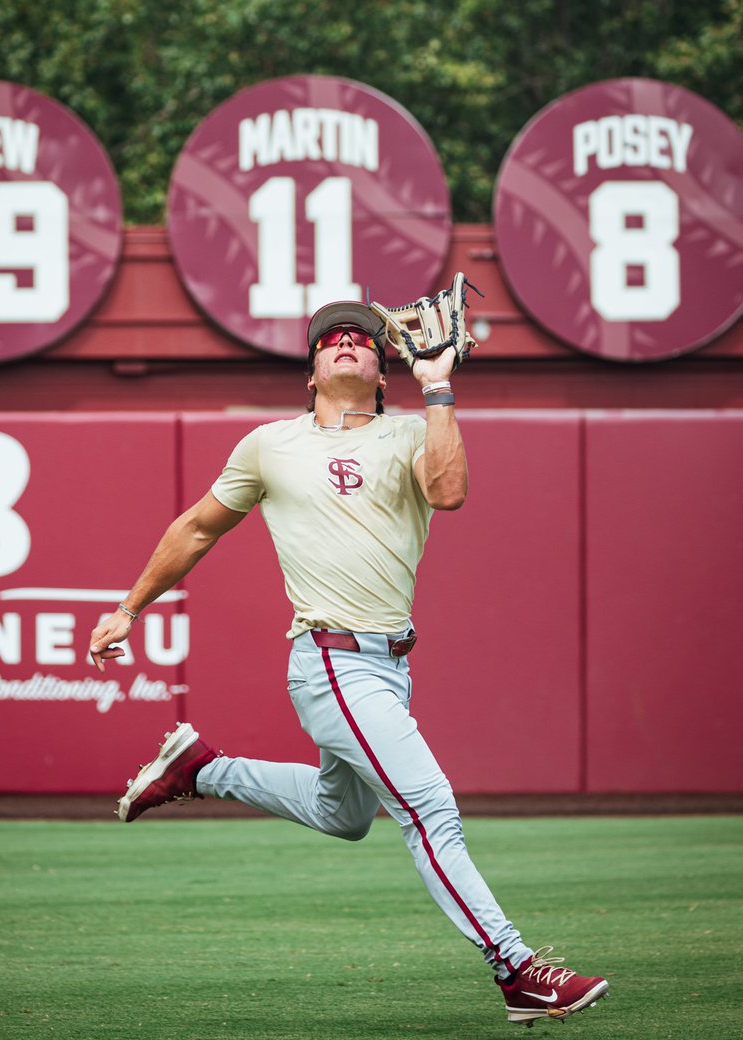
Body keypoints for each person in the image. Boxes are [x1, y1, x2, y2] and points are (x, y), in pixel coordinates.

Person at [88, 299, 610, 1027]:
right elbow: (199, 527)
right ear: (310, 373)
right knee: (430, 809)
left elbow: (449, 493)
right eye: (329, 337)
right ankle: (517, 970)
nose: (345, 342)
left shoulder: (411, 432)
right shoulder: (270, 445)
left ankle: (202, 770)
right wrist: (130, 607)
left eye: (362, 339)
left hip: (389, 664)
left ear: (383, 372)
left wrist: (438, 386)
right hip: (331, 661)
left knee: (343, 815)